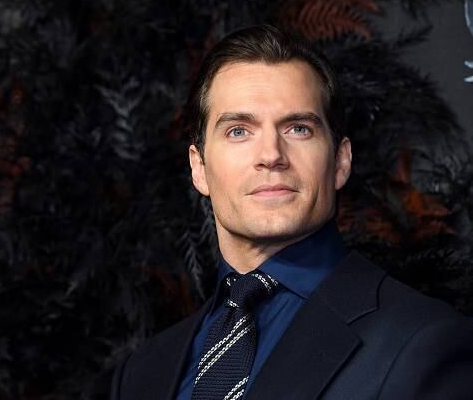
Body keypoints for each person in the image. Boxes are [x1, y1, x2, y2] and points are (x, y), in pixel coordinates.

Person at [110, 24, 473, 400]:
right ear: (199, 167)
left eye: (298, 129)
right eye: (238, 131)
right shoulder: (141, 374)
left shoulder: (424, 344)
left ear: (340, 161)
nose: (271, 155)